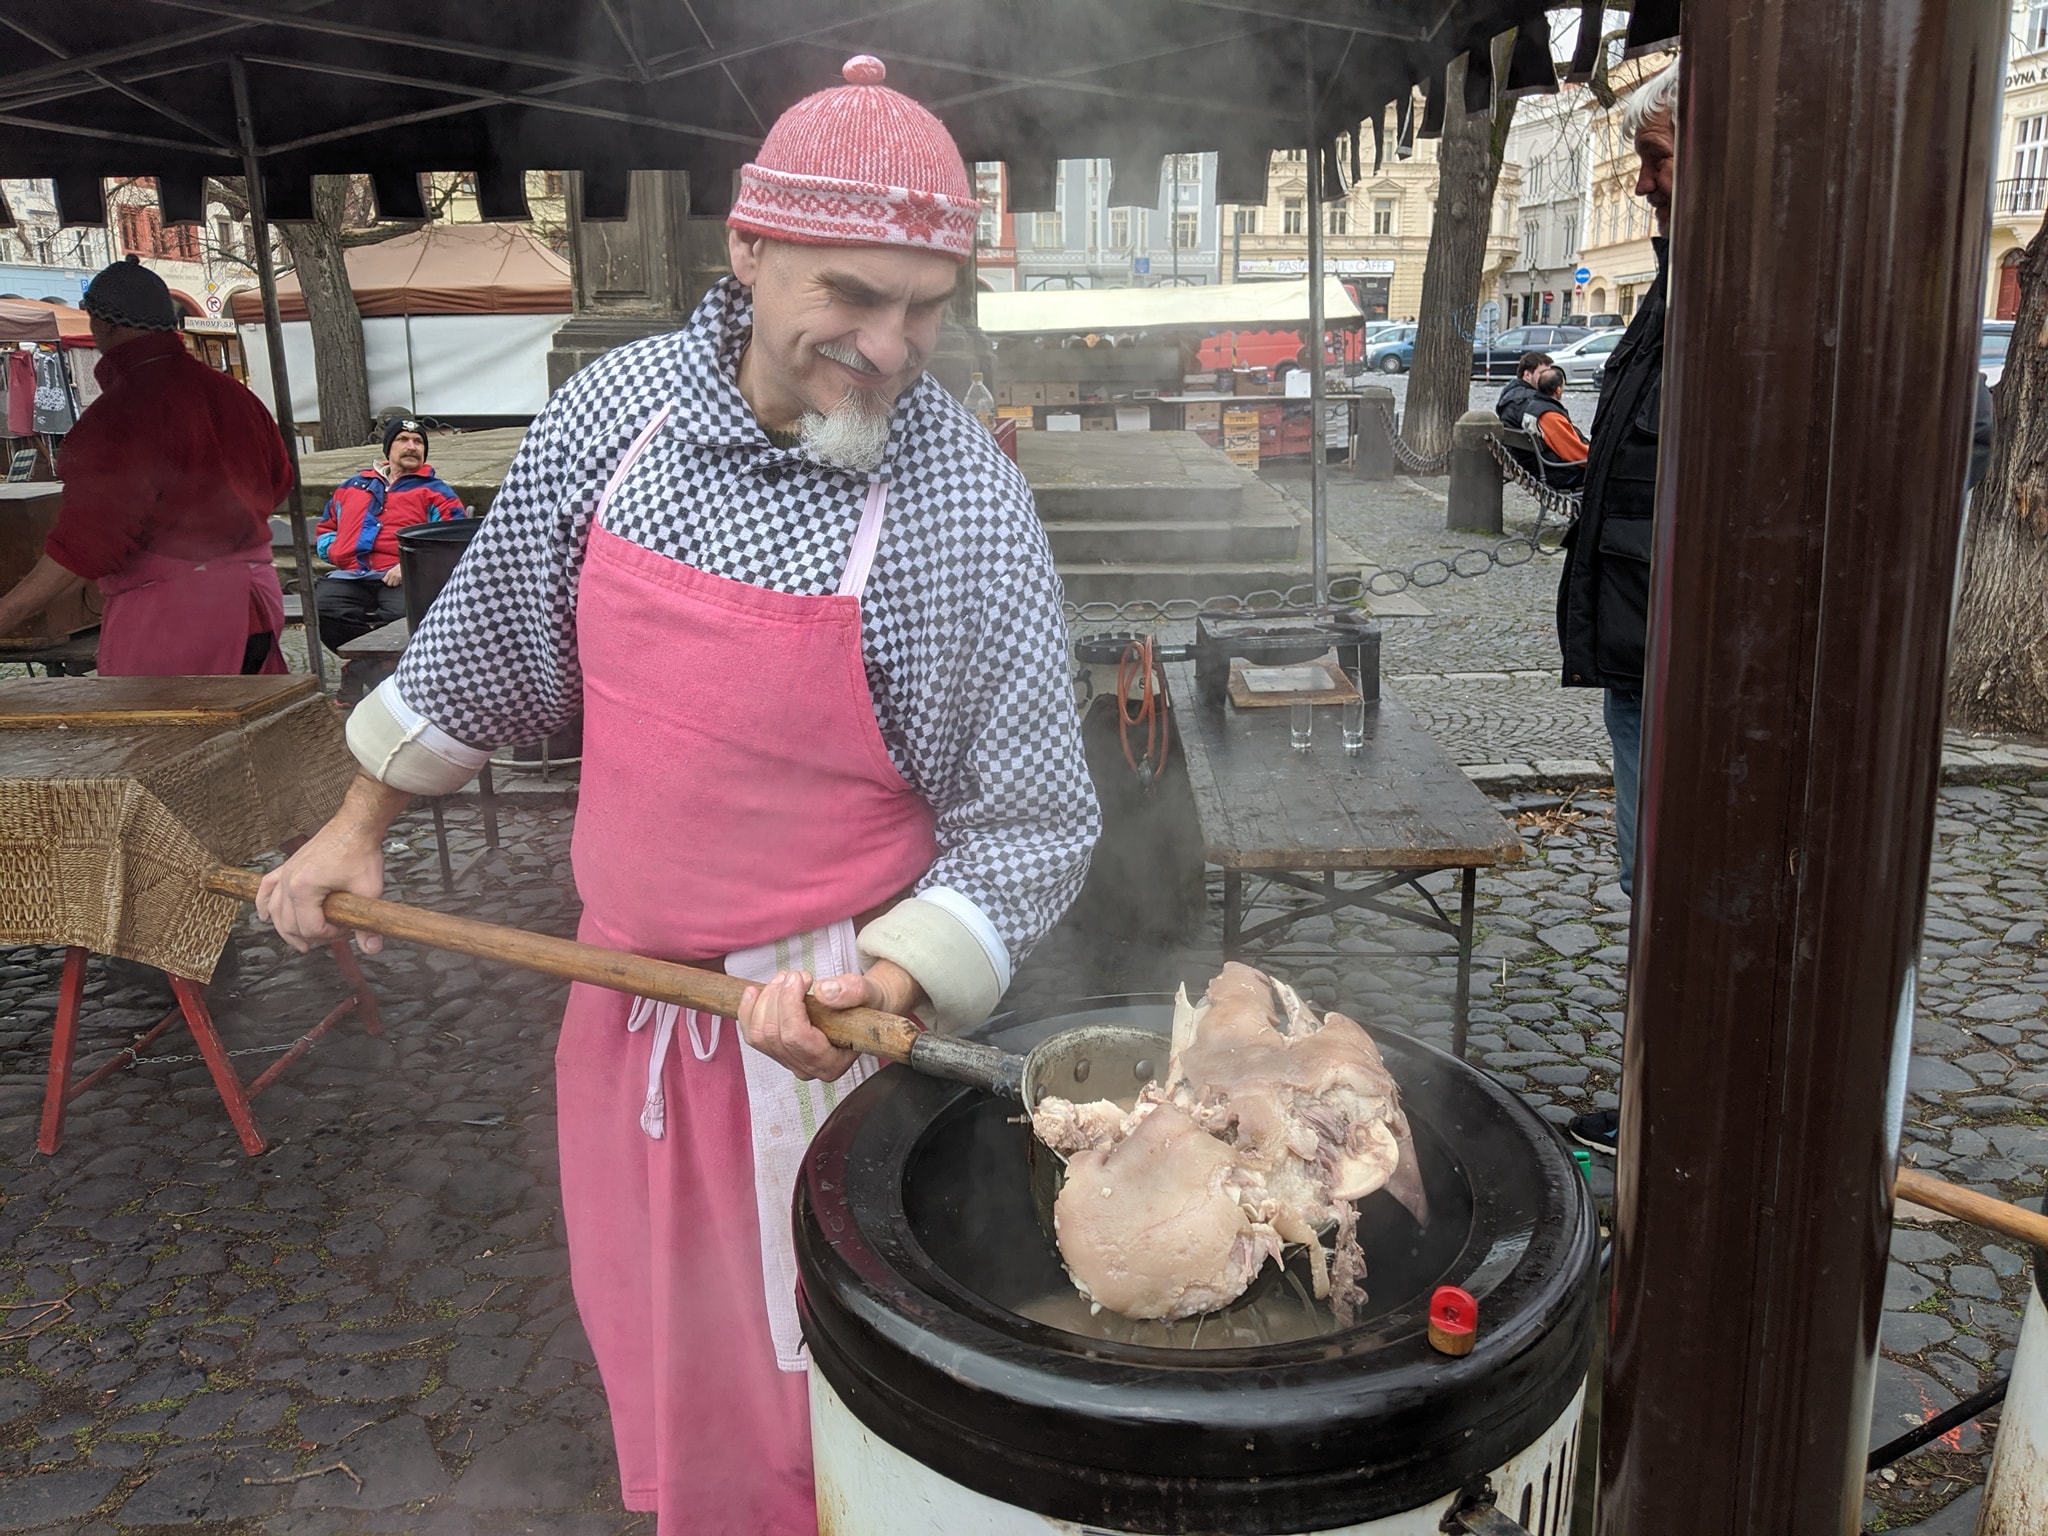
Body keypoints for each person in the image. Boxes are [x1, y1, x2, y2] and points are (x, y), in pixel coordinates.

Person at [255, 55, 1098, 1535]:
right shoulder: (614, 422)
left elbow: (1032, 817)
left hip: (826, 1039)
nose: (891, 344)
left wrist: (885, 977)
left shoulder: (964, 501)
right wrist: (358, 825)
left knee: (832, 1422)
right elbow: (492, 647)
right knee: (668, 1378)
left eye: (924, 307)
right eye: (851, 293)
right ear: (747, 249)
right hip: (626, 1014)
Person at [1559, 61, 1678, 1156]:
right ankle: (1653, 1099)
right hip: (1642, 658)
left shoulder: (1738, 296)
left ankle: (1674, 1113)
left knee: (1675, 897)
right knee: (1648, 891)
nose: (1640, 184)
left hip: (1683, 673)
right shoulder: (1672, 282)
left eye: (1654, 160)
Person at [0, 255, 294, 672]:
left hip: (179, 621)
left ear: (104, 324)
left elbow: (85, 545)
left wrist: (7, 614)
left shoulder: (118, 416)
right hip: (256, 603)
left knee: (167, 735)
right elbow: (279, 483)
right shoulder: (234, 395)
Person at [313, 417, 465, 697]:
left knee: (399, 620)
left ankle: (370, 677)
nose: (412, 447)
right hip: (351, 575)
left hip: (403, 577)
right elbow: (326, 527)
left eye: (418, 442)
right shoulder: (352, 486)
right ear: (388, 449)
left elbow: (452, 541)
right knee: (323, 610)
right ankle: (369, 670)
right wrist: (336, 550)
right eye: (403, 441)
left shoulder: (436, 492)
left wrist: (407, 567)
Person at [1522, 365, 1589, 486]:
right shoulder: (1550, 415)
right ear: (1558, 390)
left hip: (1541, 467)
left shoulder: (1533, 407)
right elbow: (1574, 452)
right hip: (1557, 473)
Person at [1495, 349, 1553, 431]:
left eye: (1549, 373)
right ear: (1527, 375)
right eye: (1543, 373)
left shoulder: (1510, 392)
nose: (1548, 377)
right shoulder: (1529, 400)